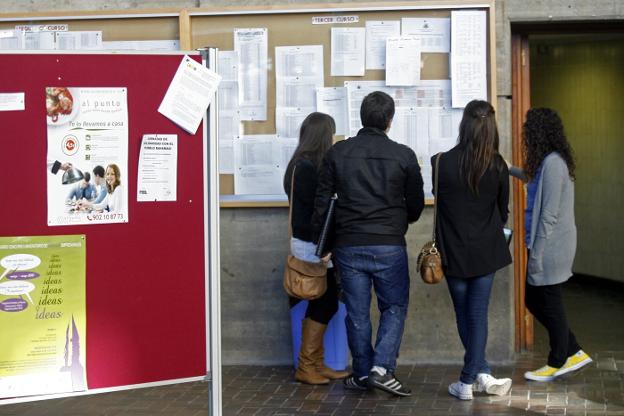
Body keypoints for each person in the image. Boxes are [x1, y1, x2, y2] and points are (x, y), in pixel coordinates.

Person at [312, 91, 424, 397]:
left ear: (361, 117)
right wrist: (400, 220)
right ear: (389, 120)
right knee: (394, 307)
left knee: (357, 313)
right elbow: (415, 205)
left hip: (348, 245)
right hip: (389, 244)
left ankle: (362, 372)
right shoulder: (404, 155)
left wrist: (322, 245)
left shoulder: (338, 153)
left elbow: (322, 202)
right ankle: (381, 369)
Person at [433, 100, 513, 400]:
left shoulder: (440, 162)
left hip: (452, 250)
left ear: (463, 124)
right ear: (491, 127)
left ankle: (467, 382)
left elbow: (441, 204)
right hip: (486, 251)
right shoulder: (498, 165)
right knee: (477, 314)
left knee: (464, 314)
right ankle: (479, 374)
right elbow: (502, 212)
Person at [510, 108, 592, 382]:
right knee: (534, 299)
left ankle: (558, 360)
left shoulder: (555, 163)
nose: (525, 135)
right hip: (547, 244)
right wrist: (506, 167)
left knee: (549, 300)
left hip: (551, 247)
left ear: (538, 133)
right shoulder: (549, 162)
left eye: (528, 130)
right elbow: (533, 180)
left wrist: (537, 254)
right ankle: (573, 350)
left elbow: (549, 215)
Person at [283, 112, 349, 385]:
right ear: (324, 136)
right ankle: (307, 365)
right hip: (312, 244)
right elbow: (313, 213)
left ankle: (316, 363)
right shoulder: (308, 168)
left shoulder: (299, 164)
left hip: (309, 242)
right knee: (326, 302)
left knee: (324, 302)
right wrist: (324, 247)